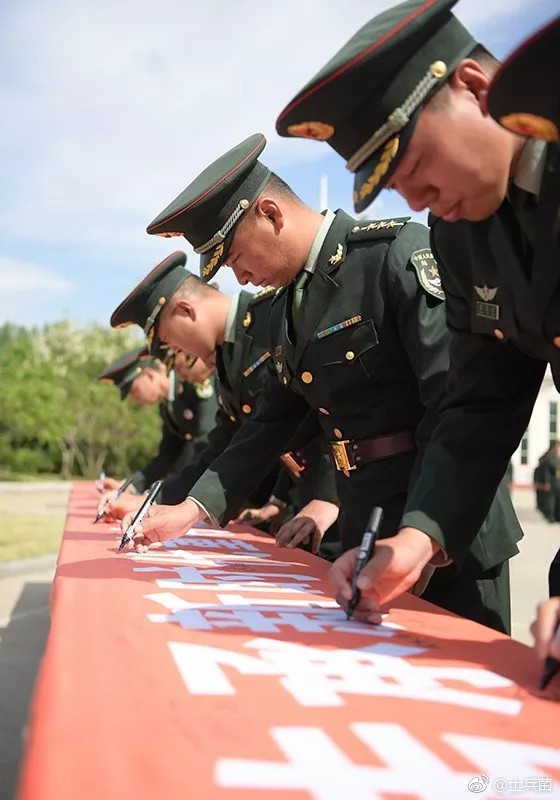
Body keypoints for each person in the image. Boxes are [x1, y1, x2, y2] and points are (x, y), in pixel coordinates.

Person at [121, 132, 521, 632]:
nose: (239, 278)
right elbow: (271, 420)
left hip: (446, 528)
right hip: (368, 528)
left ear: (270, 213)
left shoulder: (391, 253)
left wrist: (422, 532)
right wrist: (196, 509)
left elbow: (451, 400)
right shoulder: (288, 306)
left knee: (478, 695)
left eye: (236, 256)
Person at [275, 0, 559, 621]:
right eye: (394, 186)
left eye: (414, 166)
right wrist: (419, 536)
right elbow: (479, 401)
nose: (416, 197)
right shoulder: (462, 236)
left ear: (476, 89)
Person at [105, 249, 333, 538]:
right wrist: (164, 503)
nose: (177, 353)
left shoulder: (274, 318)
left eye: (170, 340)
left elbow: (330, 410)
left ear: (186, 311)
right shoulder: (227, 356)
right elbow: (223, 448)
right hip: (307, 502)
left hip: (338, 498)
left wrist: (327, 496)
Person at [98, 342, 217, 493]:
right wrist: (129, 487)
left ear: (149, 374)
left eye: (134, 390)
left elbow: (206, 443)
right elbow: (166, 456)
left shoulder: (194, 383)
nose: (135, 399)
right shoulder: (167, 405)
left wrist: (169, 493)